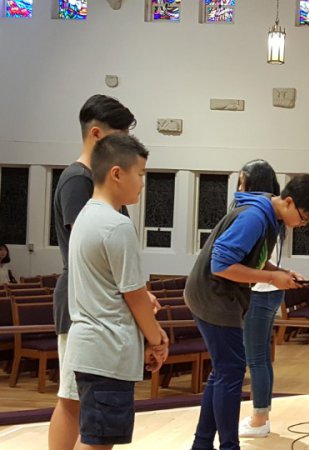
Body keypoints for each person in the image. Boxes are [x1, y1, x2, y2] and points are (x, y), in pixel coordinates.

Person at [184, 174, 309, 450]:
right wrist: (272, 278)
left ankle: (202, 444)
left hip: (218, 297)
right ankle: (228, 446)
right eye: (304, 219)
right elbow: (221, 265)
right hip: (212, 297)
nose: (302, 225)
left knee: (223, 371)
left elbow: (253, 259)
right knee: (231, 372)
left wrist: (281, 272)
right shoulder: (254, 217)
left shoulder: (270, 217)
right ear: (288, 202)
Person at [61, 134, 169, 448]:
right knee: (97, 442)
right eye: (140, 174)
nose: (142, 183)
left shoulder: (86, 216)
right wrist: (156, 339)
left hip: (90, 349)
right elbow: (134, 295)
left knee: (94, 438)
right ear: (117, 173)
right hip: (107, 351)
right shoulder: (115, 224)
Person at [49, 94, 137, 450]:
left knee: (76, 398)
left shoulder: (98, 180)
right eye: (121, 137)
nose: (126, 145)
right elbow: (88, 250)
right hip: (83, 302)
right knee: (71, 399)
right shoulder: (77, 180)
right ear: (97, 134)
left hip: (96, 302)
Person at [234, 160, 294, 438]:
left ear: (250, 182)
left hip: (260, 291)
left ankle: (259, 419)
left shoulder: (257, 214)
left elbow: (251, 261)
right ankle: (262, 414)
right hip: (270, 290)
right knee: (261, 357)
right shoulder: (272, 214)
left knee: (256, 357)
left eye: (241, 181)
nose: (238, 187)